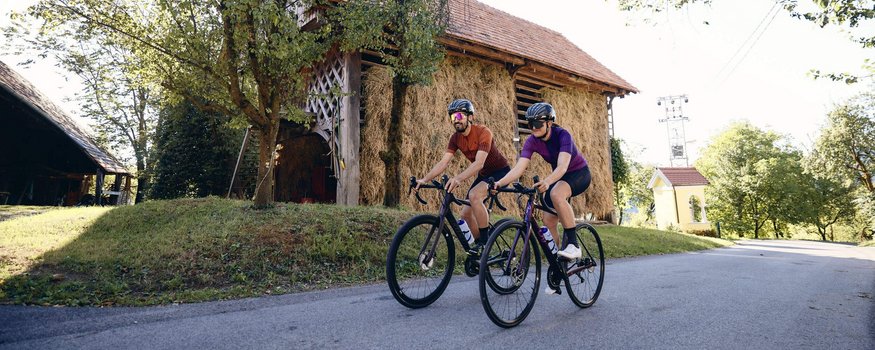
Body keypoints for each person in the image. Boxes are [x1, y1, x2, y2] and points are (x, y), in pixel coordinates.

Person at [492, 102, 591, 261]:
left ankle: (574, 245)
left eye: (538, 123)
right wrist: (500, 183)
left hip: (579, 173)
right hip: (558, 177)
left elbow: (563, 166)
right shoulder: (532, 141)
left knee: (557, 194)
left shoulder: (563, 135)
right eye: (530, 124)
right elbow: (519, 168)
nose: (534, 128)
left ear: (549, 123)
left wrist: (547, 181)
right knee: (548, 220)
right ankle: (557, 268)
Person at [416, 99, 511, 249]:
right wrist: (424, 179)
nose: (456, 120)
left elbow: (479, 163)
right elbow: (443, 162)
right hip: (484, 174)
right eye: (453, 117)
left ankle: (486, 242)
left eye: (459, 116)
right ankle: (481, 250)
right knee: (465, 215)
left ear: (470, 117)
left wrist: (458, 178)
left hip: (501, 172)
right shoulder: (455, 138)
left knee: (474, 195)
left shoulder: (483, 132)